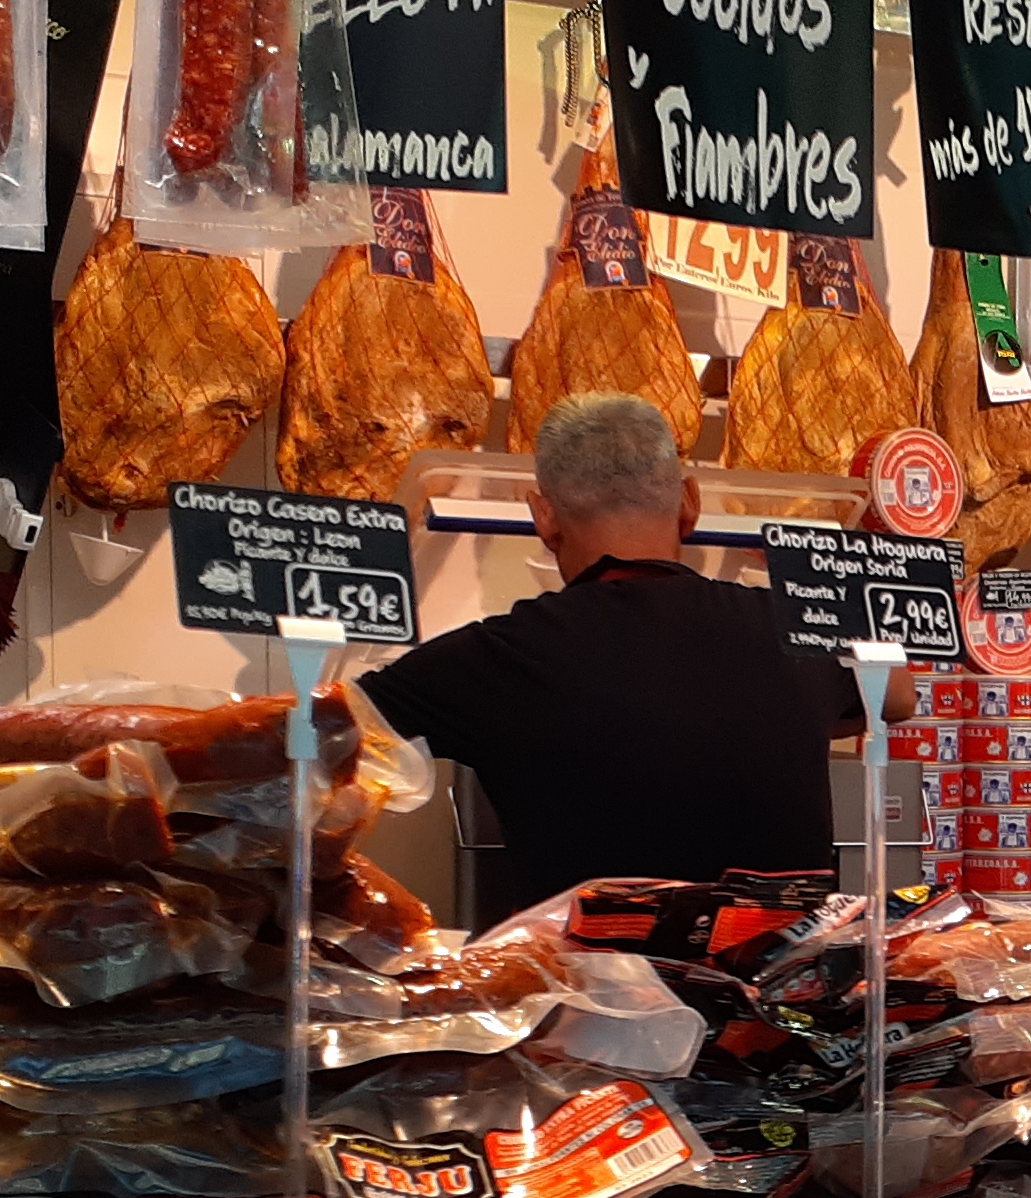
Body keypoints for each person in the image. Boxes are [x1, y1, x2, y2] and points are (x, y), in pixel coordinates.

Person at [360, 390, 867, 915]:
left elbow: (325, 729)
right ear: (690, 502)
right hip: (782, 991)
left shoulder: (500, 657)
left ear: (544, 517)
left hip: (589, 993)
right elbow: (891, 694)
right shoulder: (794, 633)